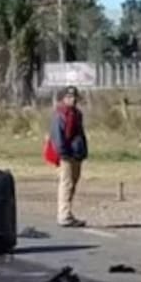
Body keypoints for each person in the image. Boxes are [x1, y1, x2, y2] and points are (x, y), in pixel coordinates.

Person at [50, 86, 88, 227]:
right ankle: (63, 215)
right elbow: (57, 136)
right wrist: (63, 153)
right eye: (69, 97)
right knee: (66, 183)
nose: (73, 99)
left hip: (76, 153)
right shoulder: (60, 114)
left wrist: (83, 151)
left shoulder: (77, 114)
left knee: (73, 184)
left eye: (74, 97)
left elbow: (80, 134)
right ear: (63, 98)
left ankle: (68, 212)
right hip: (66, 155)